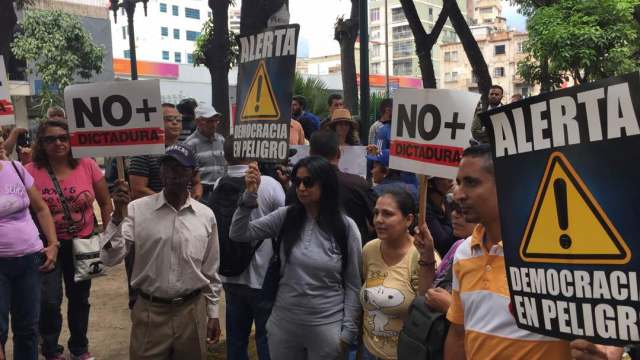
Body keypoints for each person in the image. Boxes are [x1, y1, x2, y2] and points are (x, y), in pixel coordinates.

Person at [444, 144, 570, 360]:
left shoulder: (554, 253)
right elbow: (458, 333)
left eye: (471, 182)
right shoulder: (464, 253)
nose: (459, 195)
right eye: (459, 182)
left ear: (506, 184)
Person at [230, 156, 363, 360]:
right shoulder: (285, 216)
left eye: (308, 182)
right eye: (297, 181)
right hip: (283, 327)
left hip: (327, 328)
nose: (301, 187)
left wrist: (347, 334)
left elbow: (353, 284)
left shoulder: (346, 228)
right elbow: (239, 233)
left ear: (325, 185)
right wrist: (249, 196)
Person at [101, 144, 222, 360]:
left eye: (179, 168)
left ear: (193, 174)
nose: (172, 174)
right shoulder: (136, 210)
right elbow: (110, 257)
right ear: (160, 172)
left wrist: (213, 312)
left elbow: (210, 269)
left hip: (192, 312)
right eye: (167, 167)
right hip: (150, 312)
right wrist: (117, 217)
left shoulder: (206, 216)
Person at [25, 120, 112, 360]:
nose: (58, 143)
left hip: (83, 243)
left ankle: (79, 347)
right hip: (46, 246)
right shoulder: (30, 171)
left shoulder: (88, 165)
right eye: (50, 139)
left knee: (80, 298)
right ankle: (51, 349)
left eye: (63, 137)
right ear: (40, 143)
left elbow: (105, 202)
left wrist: (107, 235)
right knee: (49, 300)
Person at [215, 139, 285, 360]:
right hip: (262, 275)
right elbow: (284, 224)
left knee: (236, 339)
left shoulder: (219, 183)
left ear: (226, 157)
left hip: (231, 275)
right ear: (253, 152)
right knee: (266, 338)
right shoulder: (270, 184)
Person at [360, 188, 438, 360]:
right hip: (369, 351)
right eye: (376, 213)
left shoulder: (422, 256)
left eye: (387, 214)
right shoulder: (369, 250)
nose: (379, 220)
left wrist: (427, 259)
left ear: (408, 219)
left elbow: (428, 305)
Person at [0, 135, 59, 360]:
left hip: (29, 258)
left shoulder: (15, 168)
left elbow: (41, 208)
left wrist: (53, 244)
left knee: (28, 328)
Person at [296, 130, 377, 244]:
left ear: (310, 154)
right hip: (351, 250)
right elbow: (377, 220)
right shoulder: (358, 184)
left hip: (306, 254)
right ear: (338, 153)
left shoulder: (298, 189)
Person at [129, 103, 202, 200]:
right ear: (156, 122)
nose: (175, 123)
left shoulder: (188, 150)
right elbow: (138, 190)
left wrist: (194, 197)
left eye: (179, 120)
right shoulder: (144, 152)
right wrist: (166, 203)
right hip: (153, 211)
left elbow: (196, 183)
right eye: (169, 119)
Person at [426, 198, 478, 313]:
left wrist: (450, 307)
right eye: (454, 209)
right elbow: (429, 291)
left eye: (464, 210)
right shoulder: (459, 247)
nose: (454, 215)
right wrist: (427, 253)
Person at [184, 102, 226, 203]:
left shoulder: (221, 140)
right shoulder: (189, 144)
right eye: (210, 121)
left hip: (222, 192)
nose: (214, 124)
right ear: (198, 122)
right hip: (202, 195)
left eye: (216, 121)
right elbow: (188, 174)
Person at [426, 177, 456, 257]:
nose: (450, 179)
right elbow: (443, 242)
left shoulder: (448, 201)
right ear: (430, 183)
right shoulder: (424, 208)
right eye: (443, 177)